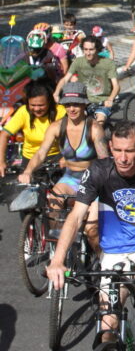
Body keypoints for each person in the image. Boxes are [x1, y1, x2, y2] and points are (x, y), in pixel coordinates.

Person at [46, 121, 135, 351]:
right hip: (115, 249)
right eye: (117, 150)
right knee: (108, 324)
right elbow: (76, 216)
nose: (123, 158)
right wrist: (57, 260)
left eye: (129, 151)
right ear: (110, 147)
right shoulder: (98, 170)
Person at [20, 82, 109, 250]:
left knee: (91, 230)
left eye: (76, 104)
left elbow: (104, 161)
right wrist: (28, 170)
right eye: (68, 105)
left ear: (84, 105)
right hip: (69, 179)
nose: (72, 109)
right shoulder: (56, 127)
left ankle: (102, 264)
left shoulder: (94, 129)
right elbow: (40, 153)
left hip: (91, 180)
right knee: (52, 204)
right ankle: (65, 253)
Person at [0, 80, 66, 177]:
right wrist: (1, 161)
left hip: (55, 160)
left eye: (41, 105)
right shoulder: (23, 112)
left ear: (49, 102)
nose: (36, 109)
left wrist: (67, 157)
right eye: (33, 105)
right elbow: (4, 135)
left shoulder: (61, 111)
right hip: (29, 161)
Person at [54, 36, 119, 125]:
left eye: (91, 50)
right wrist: (56, 93)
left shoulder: (108, 63)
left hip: (102, 102)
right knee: (70, 123)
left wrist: (110, 99)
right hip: (84, 101)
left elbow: (116, 86)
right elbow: (65, 79)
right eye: (85, 49)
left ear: (98, 49)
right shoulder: (78, 62)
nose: (88, 53)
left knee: (98, 123)